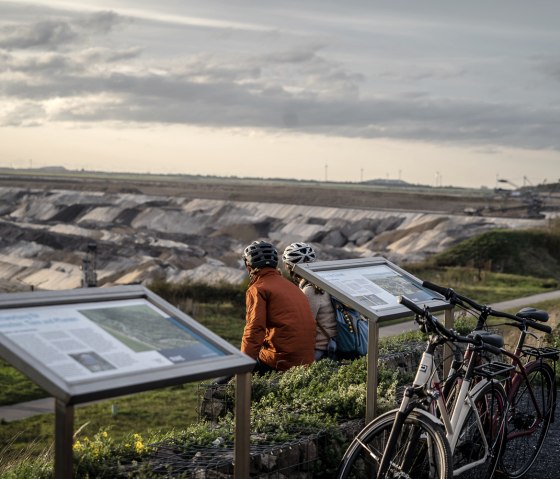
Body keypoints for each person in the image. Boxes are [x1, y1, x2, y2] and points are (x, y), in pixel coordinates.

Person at [241, 240, 316, 375]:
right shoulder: (292, 286)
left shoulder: (258, 288)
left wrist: (241, 365)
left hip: (281, 361)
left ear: (248, 266)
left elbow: (254, 329)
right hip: (306, 359)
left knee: (217, 387)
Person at [282, 242, 337, 361]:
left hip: (322, 349)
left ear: (291, 267)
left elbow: (304, 326)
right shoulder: (321, 283)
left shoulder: (310, 290)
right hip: (331, 342)